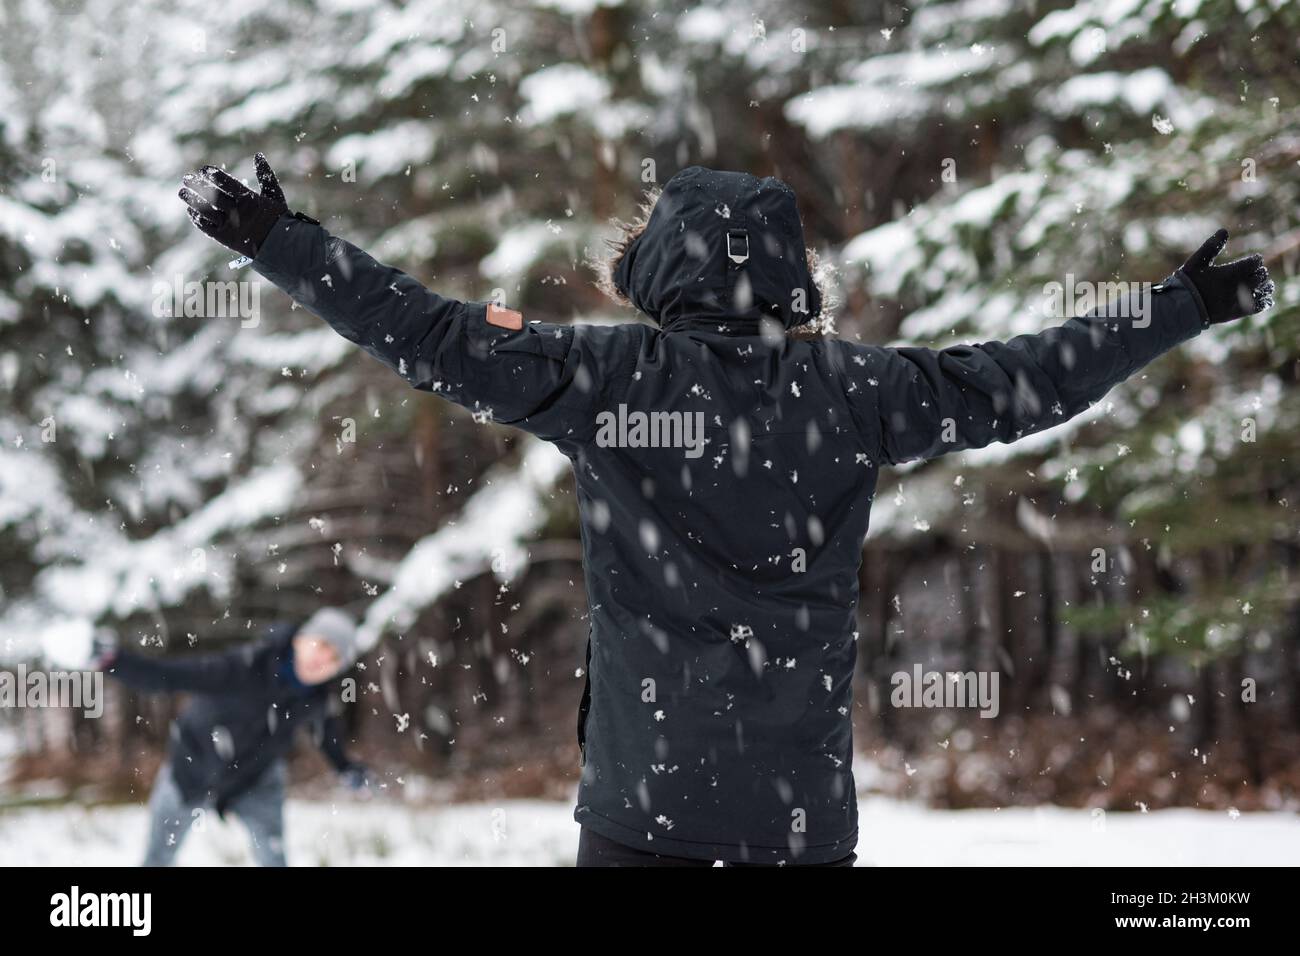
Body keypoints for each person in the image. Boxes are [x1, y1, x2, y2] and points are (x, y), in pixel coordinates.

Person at [178, 157, 1272, 867]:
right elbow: (1024, 379)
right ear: (793, 281)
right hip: (796, 820)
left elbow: (428, 332)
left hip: (640, 811)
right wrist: (1176, 306)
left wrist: (281, 241)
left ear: (662, 273)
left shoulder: (607, 380)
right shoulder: (856, 393)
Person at [96, 607, 370, 866]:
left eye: (335, 659)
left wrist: (346, 768)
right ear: (300, 639)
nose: (323, 661)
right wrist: (112, 660)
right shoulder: (244, 667)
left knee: (274, 859)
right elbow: (169, 676)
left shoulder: (316, 699)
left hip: (255, 781)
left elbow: (325, 734)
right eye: (322, 645)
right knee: (158, 857)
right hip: (190, 770)